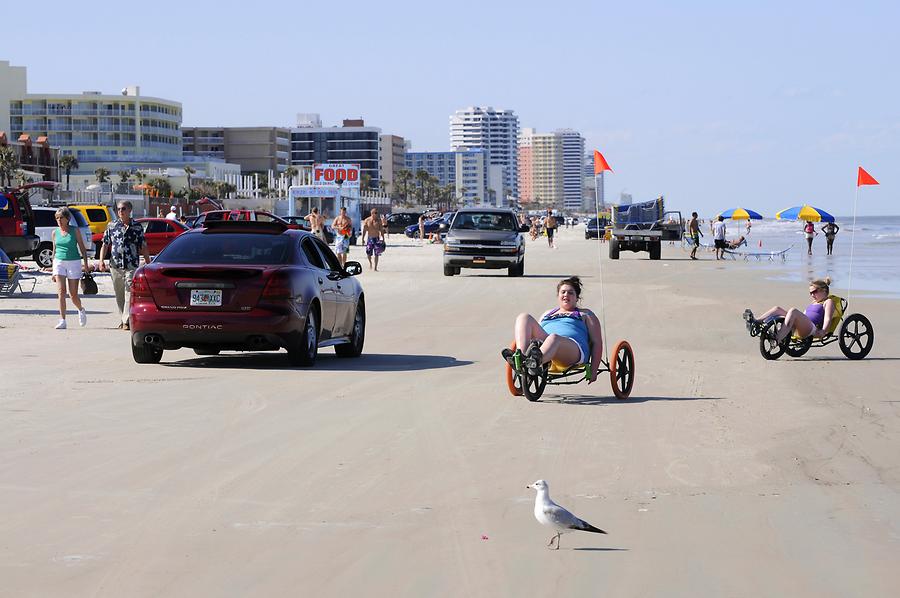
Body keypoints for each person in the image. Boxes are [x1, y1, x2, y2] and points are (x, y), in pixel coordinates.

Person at [501, 276, 603, 382]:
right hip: (547, 345)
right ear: (558, 295)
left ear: (577, 297)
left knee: (554, 338)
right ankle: (523, 359)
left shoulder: (585, 314)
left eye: (570, 293)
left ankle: (535, 362)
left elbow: (597, 342)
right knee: (524, 317)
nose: (566, 295)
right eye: (563, 292)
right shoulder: (548, 313)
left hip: (573, 349)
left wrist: (594, 370)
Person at [98, 201, 150, 330]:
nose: (120, 211)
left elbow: (143, 246)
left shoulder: (137, 227)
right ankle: (123, 318)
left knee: (129, 292)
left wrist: (148, 263)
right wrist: (101, 261)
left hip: (131, 264)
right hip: (115, 265)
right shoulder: (112, 226)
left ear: (129, 210)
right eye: (119, 209)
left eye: (123, 209)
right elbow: (105, 244)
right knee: (119, 293)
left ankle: (126, 320)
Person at [744, 277, 837, 345]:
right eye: (810, 293)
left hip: (811, 329)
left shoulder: (828, 302)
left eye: (814, 292)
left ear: (824, 290)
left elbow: (828, 318)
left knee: (793, 311)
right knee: (777, 309)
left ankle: (777, 339)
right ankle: (756, 322)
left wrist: (823, 332)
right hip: (802, 325)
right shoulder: (814, 302)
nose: (812, 295)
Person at [50, 207, 90, 329]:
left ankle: (81, 309)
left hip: (74, 262)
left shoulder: (75, 230)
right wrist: (53, 270)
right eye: (57, 218)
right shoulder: (55, 232)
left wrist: (86, 265)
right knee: (61, 292)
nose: (59, 220)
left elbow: (82, 249)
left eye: (61, 218)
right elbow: (54, 251)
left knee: (73, 295)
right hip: (59, 262)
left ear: (67, 219)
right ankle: (62, 320)